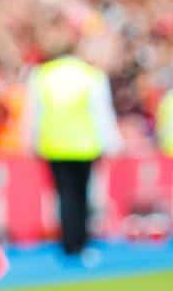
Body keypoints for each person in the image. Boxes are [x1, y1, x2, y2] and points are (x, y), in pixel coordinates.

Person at [27, 31, 122, 262]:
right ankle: (81, 242)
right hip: (84, 145)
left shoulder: (41, 75)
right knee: (82, 195)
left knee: (64, 196)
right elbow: (101, 113)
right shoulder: (90, 75)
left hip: (54, 145)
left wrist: (33, 142)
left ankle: (68, 243)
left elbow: (34, 114)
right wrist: (111, 142)